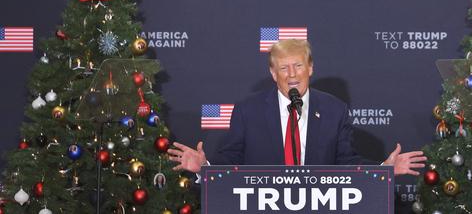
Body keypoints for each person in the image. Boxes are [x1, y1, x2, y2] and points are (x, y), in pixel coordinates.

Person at [168, 39, 426, 176]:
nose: (292, 74)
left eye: (299, 66)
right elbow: (231, 160)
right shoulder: (248, 111)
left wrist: (384, 170)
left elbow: (346, 162)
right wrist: (206, 166)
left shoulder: (334, 109)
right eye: (283, 67)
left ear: (311, 68)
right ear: (273, 73)